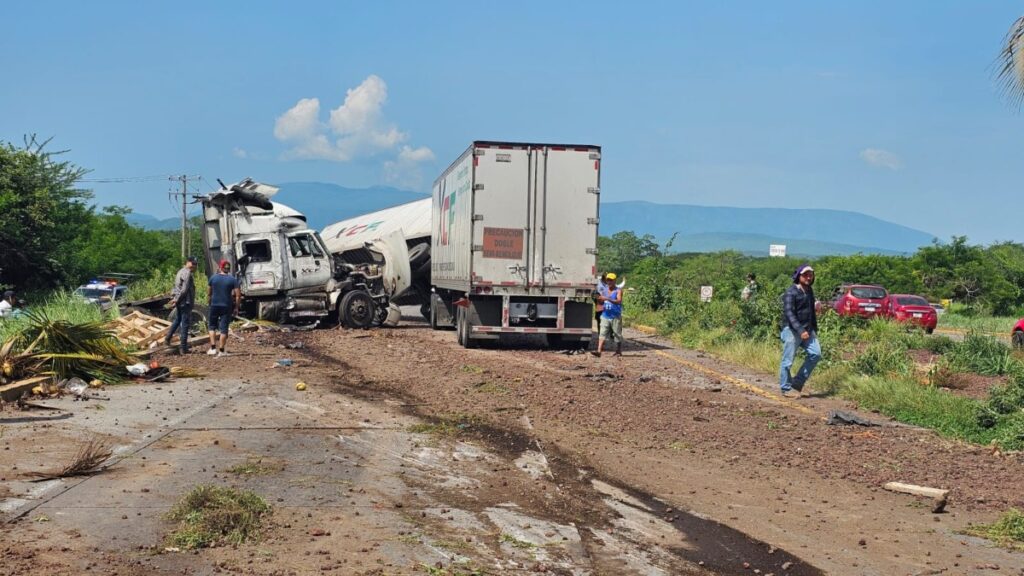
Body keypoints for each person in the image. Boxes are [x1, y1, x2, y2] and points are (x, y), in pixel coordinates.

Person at [779, 264, 821, 398]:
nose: (809, 277)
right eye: (805, 275)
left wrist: (813, 327)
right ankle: (786, 388)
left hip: (807, 330)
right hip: (792, 330)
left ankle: (797, 384)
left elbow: (810, 312)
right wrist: (800, 329)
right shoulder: (791, 292)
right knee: (788, 360)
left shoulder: (809, 291)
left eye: (811, 275)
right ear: (798, 276)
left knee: (816, 354)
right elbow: (789, 313)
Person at [207, 260, 241, 357]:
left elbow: (209, 293)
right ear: (228, 268)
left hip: (214, 305)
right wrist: (236, 307)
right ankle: (221, 351)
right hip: (226, 306)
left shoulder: (213, 278)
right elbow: (238, 295)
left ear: (220, 267)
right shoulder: (233, 279)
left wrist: (209, 303)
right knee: (224, 329)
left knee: (212, 326)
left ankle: (213, 348)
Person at [165, 256, 197, 353]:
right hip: (185, 302)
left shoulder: (180, 271)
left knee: (177, 320)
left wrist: (175, 299)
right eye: (193, 263)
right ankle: (183, 348)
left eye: (195, 264)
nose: (194, 266)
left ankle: (167, 339)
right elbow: (184, 290)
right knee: (185, 323)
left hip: (180, 301)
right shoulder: (187, 273)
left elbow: (176, 288)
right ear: (188, 262)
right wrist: (177, 300)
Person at [593, 273, 624, 357]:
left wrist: (607, 298)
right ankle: (599, 351)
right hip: (605, 315)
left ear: (615, 281)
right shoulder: (604, 290)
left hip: (615, 316)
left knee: (617, 333)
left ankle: (618, 350)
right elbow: (601, 301)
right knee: (602, 333)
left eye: (611, 280)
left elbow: (619, 301)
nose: (609, 281)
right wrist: (599, 299)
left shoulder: (618, 291)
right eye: (608, 280)